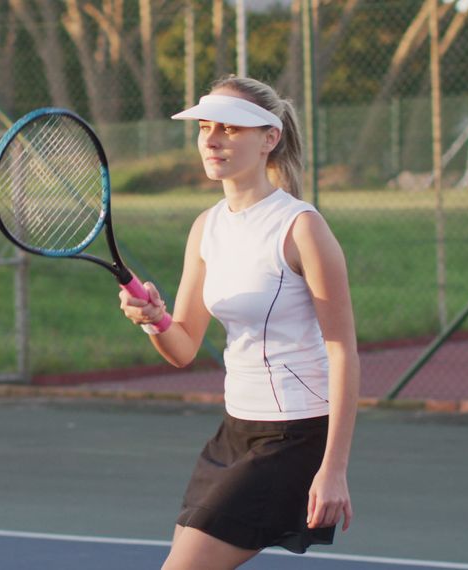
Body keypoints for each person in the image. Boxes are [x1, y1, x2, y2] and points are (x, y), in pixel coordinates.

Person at [119, 75, 360, 570]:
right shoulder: (206, 227)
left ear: (269, 139)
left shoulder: (301, 228)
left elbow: (343, 352)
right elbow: (183, 347)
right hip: (234, 430)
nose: (211, 139)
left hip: (293, 436)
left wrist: (334, 469)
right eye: (206, 126)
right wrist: (154, 319)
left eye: (230, 128)